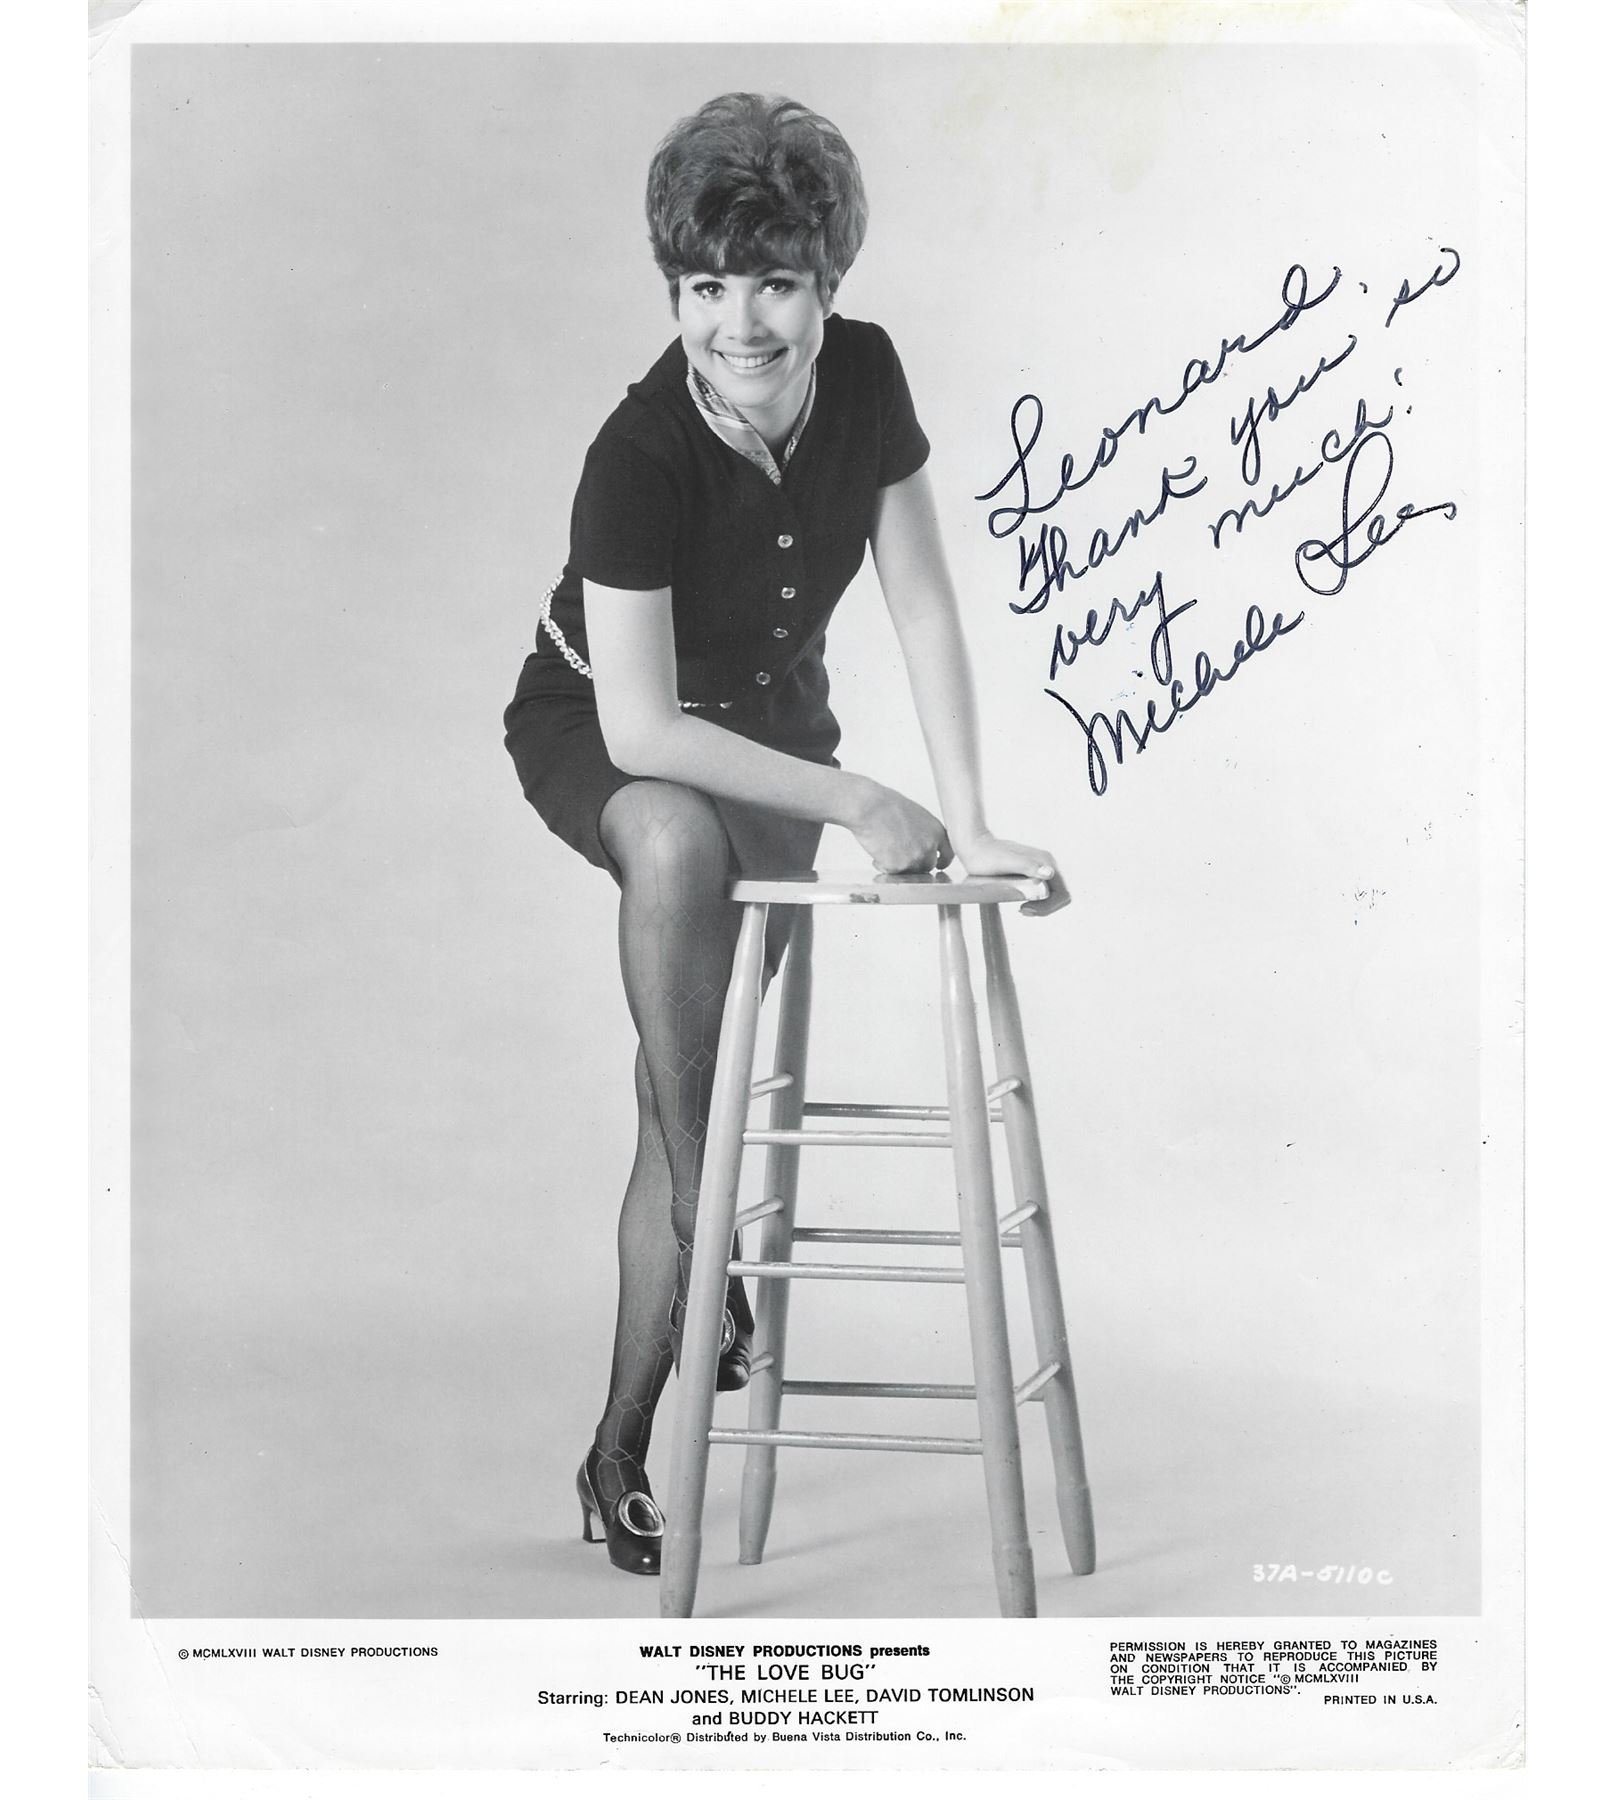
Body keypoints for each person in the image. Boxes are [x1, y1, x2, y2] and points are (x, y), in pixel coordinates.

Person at [503, 92, 1069, 1578]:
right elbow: (640, 734)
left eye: (773, 284)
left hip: (769, 745)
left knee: (678, 1089)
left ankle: (615, 1452)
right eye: (704, 287)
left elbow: (922, 600)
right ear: (673, 293)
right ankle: (721, 1249)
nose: (738, 323)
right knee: (674, 846)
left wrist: (971, 814)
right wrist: (863, 800)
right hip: (609, 729)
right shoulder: (636, 453)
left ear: (828, 285)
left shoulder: (867, 375)